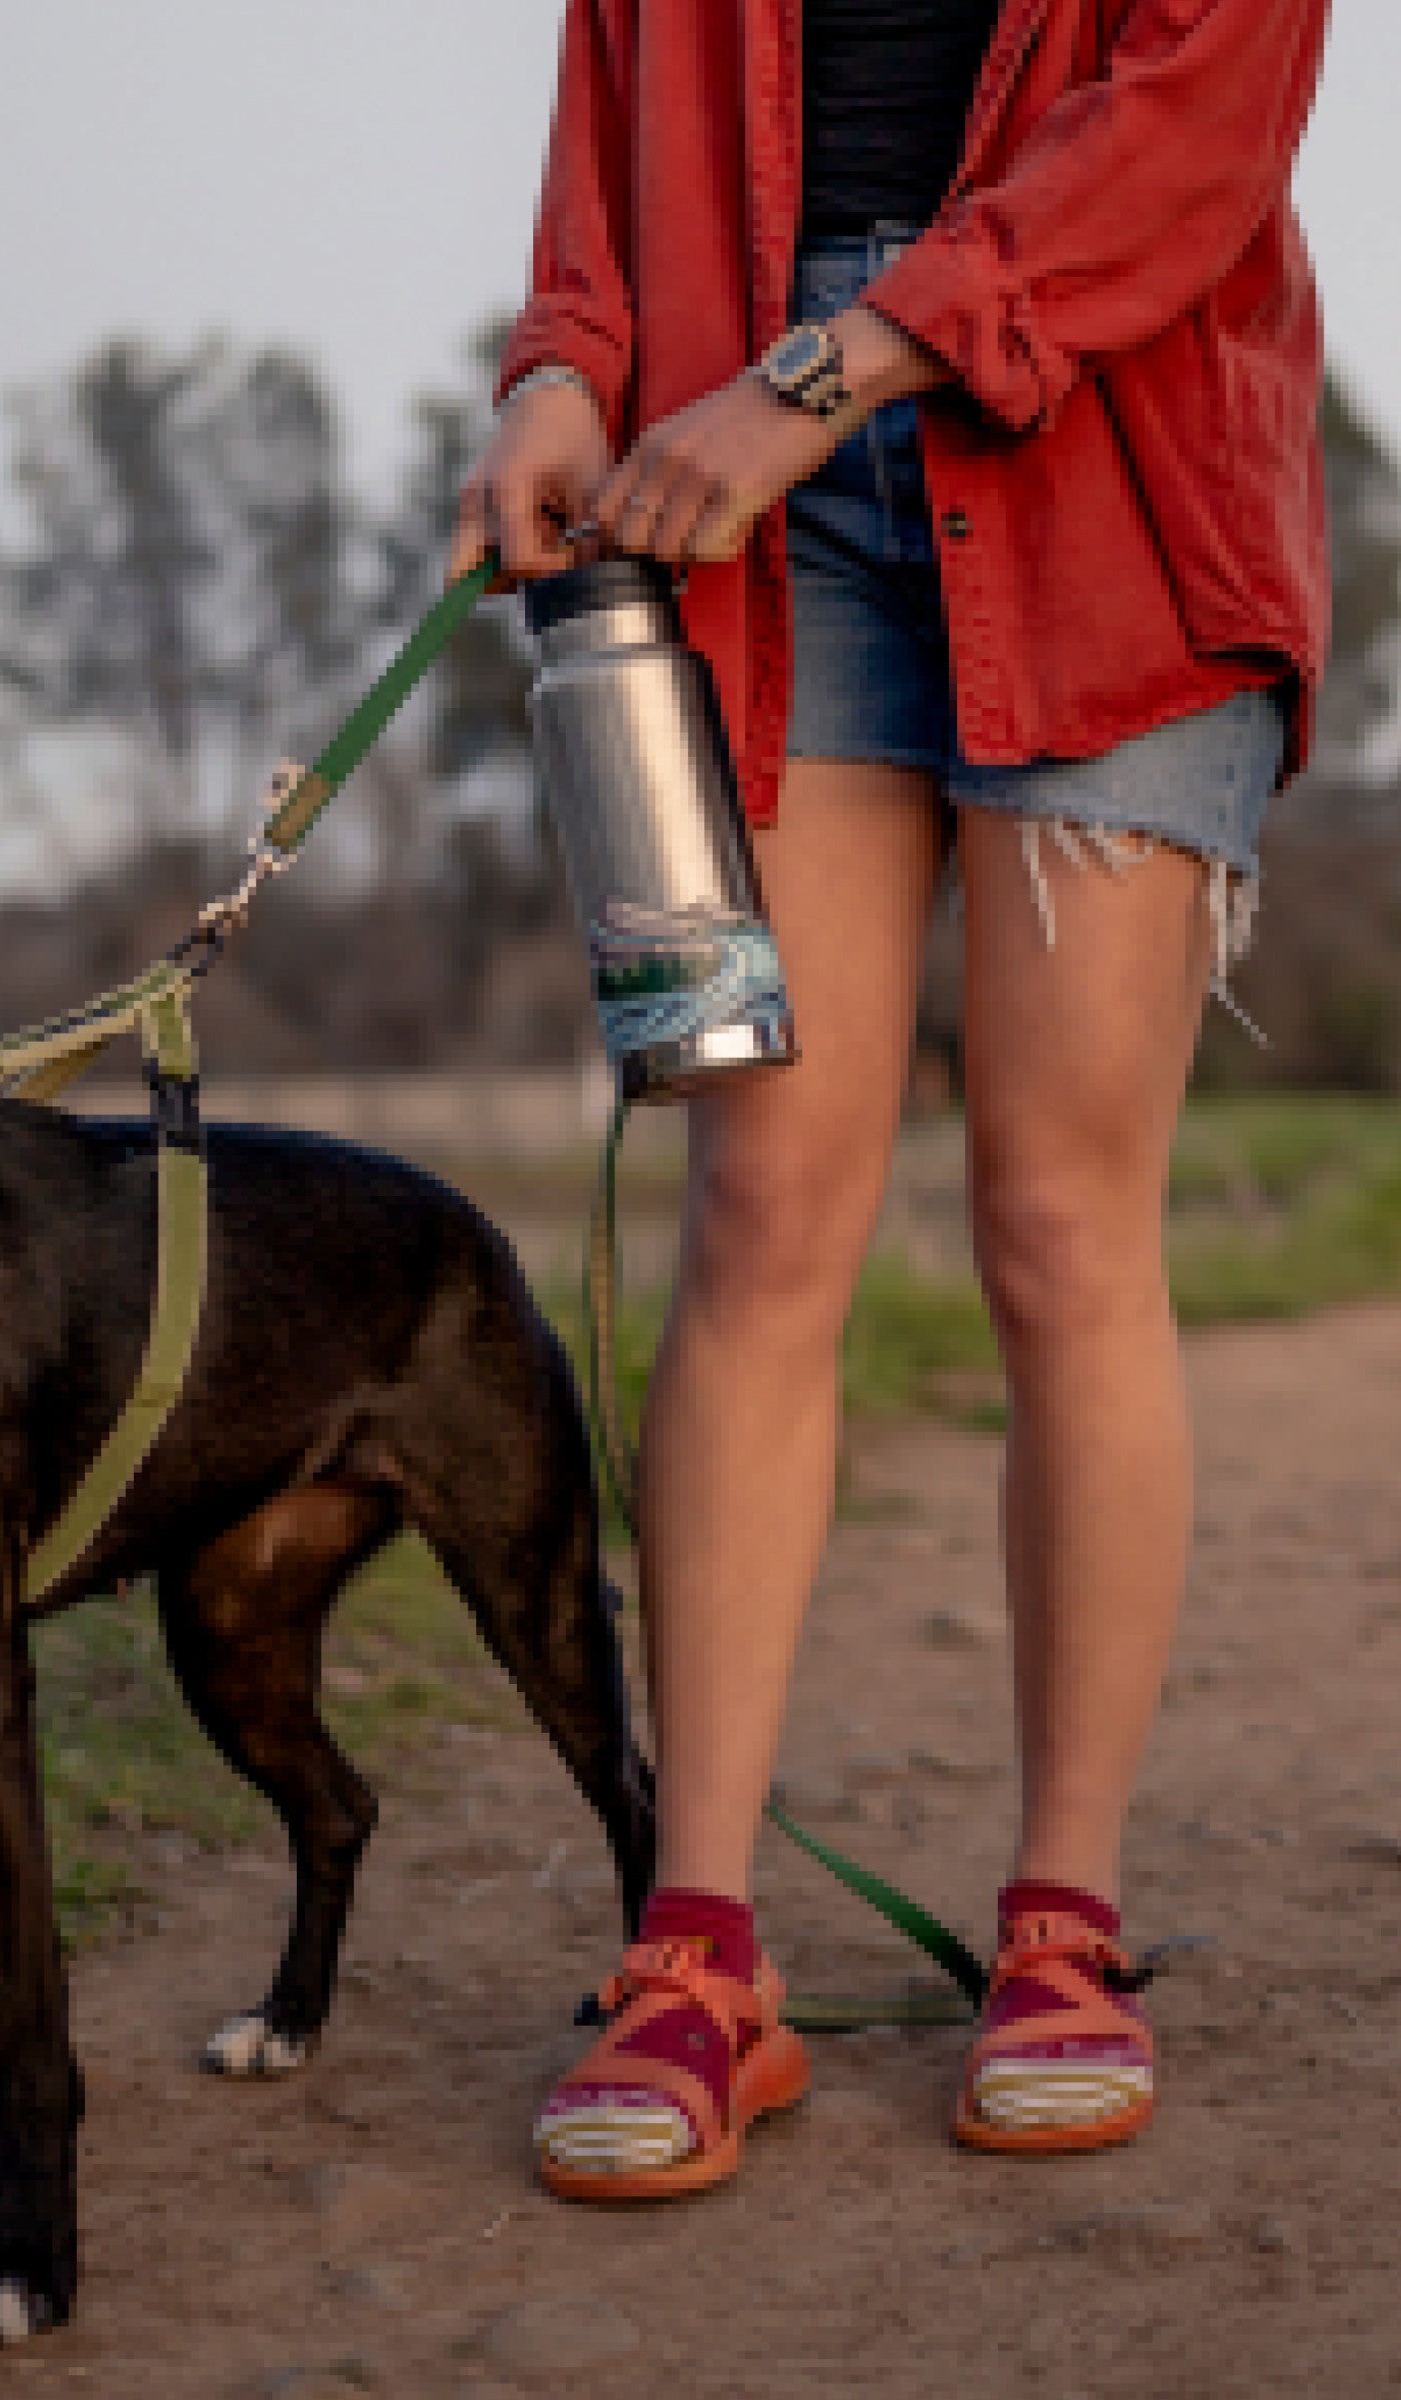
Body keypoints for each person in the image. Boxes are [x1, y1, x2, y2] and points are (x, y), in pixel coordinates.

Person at [452, 0, 1332, 2198]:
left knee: (1057, 1222)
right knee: (767, 1213)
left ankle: (1062, 1925)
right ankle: (696, 1953)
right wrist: (562, 374)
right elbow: (603, 152)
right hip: (752, 500)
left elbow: (1197, 126)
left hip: (1107, 471)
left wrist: (810, 382)